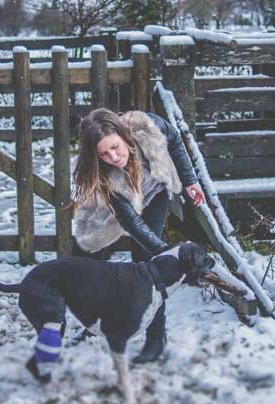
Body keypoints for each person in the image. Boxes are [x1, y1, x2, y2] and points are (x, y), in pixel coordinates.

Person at [71, 108, 206, 363]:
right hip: (114, 210)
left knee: (147, 266)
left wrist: (189, 180)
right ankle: (95, 323)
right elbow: (130, 222)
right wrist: (165, 251)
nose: (113, 156)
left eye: (115, 147)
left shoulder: (146, 126)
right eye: (104, 154)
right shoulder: (102, 174)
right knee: (87, 261)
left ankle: (156, 338)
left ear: (124, 135)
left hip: (153, 193)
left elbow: (175, 140)